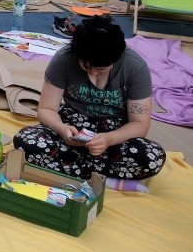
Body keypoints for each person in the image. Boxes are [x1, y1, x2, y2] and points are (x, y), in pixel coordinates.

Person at [13, 15, 166, 181]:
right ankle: (103, 177)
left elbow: (139, 124)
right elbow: (46, 109)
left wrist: (108, 139)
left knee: (152, 157)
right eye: (86, 66)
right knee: (25, 141)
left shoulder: (135, 66)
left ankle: (70, 171)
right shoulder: (64, 58)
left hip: (115, 133)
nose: (93, 73)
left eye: (101, 69)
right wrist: (61, 129)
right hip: (72, 125)